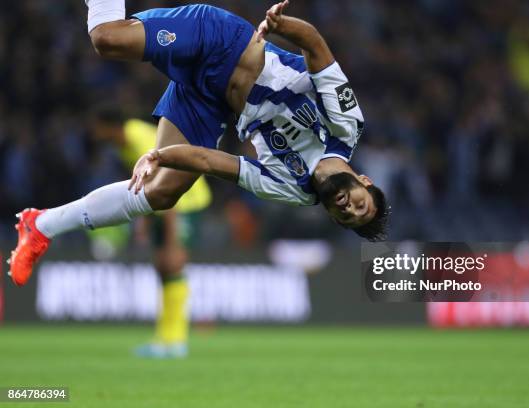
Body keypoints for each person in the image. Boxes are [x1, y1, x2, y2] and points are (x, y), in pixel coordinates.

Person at [8, 1, 389, 287]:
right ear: (365, 181)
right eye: (360, 205)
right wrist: (280, 24)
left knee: (162, 192)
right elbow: (316, 47)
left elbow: (210, 161)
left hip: (209, 103)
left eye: (348, 218)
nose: (349, 208)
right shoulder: (346, 126)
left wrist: (157, 156)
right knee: (107, 39)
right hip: (222, 41)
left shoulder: (294, 189)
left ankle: (40, 225)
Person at [90, 108, 212, 357]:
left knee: (173, 263)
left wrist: (170, 238)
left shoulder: (139, 139)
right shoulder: (124, 142)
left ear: (108, 126)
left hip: (184, 201)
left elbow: (167, 183)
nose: (94, 133)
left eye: (97, 127)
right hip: (163, 205)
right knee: (162, 266)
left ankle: (176, 340)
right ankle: (163, 338)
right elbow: (145, 185)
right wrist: (143, 224)